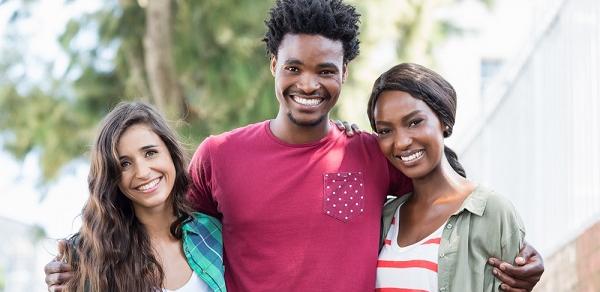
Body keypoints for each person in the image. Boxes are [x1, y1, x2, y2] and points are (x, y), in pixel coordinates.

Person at [45, 1, 543, 291]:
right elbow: (158, 217)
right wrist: (78, 259)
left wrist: (516, 257)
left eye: (326, 70)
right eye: (293, 68)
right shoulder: (220, 155)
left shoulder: (371, 151)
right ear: (273, 67)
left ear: (344, 73)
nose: (309, 84)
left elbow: (443, 188)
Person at [368, 63, 532, 291]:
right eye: (385, 130)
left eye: (414, 122)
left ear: (443, 121)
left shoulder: (491, 212)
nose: (401, 142)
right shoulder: (386, 217)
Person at [54, 102, 226, 291]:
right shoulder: (91, 255)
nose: (142, 172)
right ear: (112, 177)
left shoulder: (212, 232)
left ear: (170, 153)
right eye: (124, 164)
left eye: (150, 153)